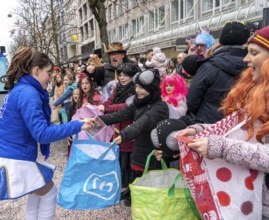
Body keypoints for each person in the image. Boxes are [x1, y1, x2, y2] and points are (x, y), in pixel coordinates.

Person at [0, 47, 94, 220]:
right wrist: (77, 125)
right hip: (15, 157)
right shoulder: (28, 93)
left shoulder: (20, 89)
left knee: (37, 192)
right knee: (49, 192)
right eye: (48, 73)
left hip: (10, 153)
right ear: (36, 70)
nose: (51, 78)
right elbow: (42, 133)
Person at [176, 25, 269, 219]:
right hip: (253, 199)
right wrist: (201, 130)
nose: (245, 59)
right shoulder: (256, 93)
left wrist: (220, 147)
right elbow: (239, 129)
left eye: (253, 53)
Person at [99, 69, 169, 206]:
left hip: (153, 154)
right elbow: (121, 114)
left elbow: (142, 123)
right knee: (137, 180)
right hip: (138, 150)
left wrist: (124, 135)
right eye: (137, 86)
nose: (138, 91)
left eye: (142, 88)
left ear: (152, 89)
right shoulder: (138, 102)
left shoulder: (160, 107)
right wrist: (96, 122)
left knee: (151, 187)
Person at [187, 21, 250, 123]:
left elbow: (192, 99)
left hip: (208, 123)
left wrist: (203, 113)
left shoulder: (209, 65)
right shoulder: (254, 65)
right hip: (241, 125)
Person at [97, 63, 140, 202]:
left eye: (126, 75)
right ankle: (125, 188)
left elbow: (127, 107)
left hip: (130, 128)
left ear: (133, 76)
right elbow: (109, 101)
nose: (122, 78)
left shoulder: (136, 89)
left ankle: (133, 191)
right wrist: (104, 106)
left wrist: (107, 108)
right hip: (117, 128)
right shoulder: (118, 88)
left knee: (131, 163)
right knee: (121, 161)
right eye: (120, 75)